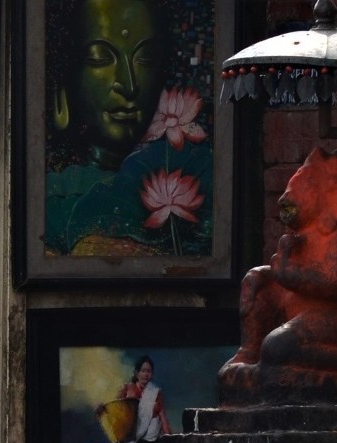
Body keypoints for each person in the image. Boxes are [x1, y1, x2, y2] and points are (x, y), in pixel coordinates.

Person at [45, 0, 213, 258]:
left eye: (145, 58)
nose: (128, 83)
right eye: (100, 58)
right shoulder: (55, 195)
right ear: (66, 78)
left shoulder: (193, 167)